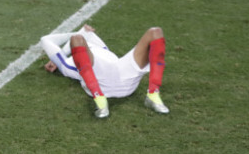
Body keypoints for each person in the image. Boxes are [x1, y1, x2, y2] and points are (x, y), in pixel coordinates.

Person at [40, 25, 169, 118]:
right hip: (100, 83)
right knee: (76, 38)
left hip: (121, 73)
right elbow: (46, 39)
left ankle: (153, 95)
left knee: (155, 32)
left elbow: (86, 35)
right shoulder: (68, 64)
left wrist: (64, 50)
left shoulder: (95, 47)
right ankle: (99, 99)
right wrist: (78, 35)